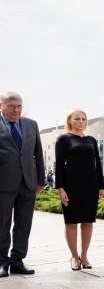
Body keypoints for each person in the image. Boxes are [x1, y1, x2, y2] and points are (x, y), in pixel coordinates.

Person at [0, 91, 45, 278]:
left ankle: (17, 261)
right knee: (2, 224)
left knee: (24, 224)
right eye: (11, 106)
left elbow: (38, 154)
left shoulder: (31, 125)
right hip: (3, 183)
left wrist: (41, 180)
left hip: (28, 183)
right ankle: (2, 262)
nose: (16, 110)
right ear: (1, 106)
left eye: (19, 106)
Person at [55, 109, 104, 270]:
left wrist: (101, 185)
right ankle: (74, 256)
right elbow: (59, 165)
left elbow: (98, 162)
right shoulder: (63, 139)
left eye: (83, 119)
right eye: (77, 119)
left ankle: (84, 255)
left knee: (88, 221)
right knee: (71, 221)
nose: (81, 121)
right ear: (70, 121)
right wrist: (60, 188)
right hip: (71, 186)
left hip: (90, 185)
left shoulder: (91, 140)